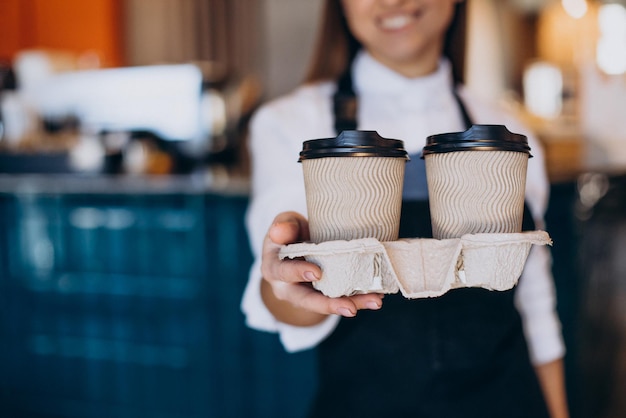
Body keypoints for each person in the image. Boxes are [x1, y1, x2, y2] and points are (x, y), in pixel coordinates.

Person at [241, 0, 569, 417]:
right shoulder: (288, 123)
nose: (393, 1)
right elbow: (281, 295)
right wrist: (289, 280)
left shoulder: (509, 131)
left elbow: (536, 305)